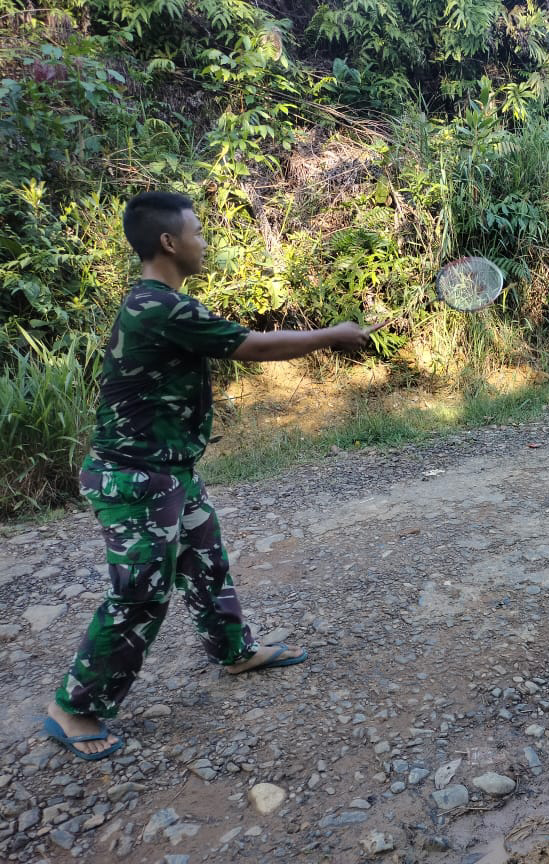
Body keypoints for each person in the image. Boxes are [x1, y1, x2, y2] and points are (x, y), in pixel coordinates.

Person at [42, 191, 383, 760]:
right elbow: (249, 346)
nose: (206, 241)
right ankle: (74, 709)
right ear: (169, 242)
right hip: (133, 478)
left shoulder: (164, 302)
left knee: (205, 559)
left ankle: (233, 651)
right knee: (140, 596)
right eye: (197, 231)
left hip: (169, 469)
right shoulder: (158, 306)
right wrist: (332, 335)